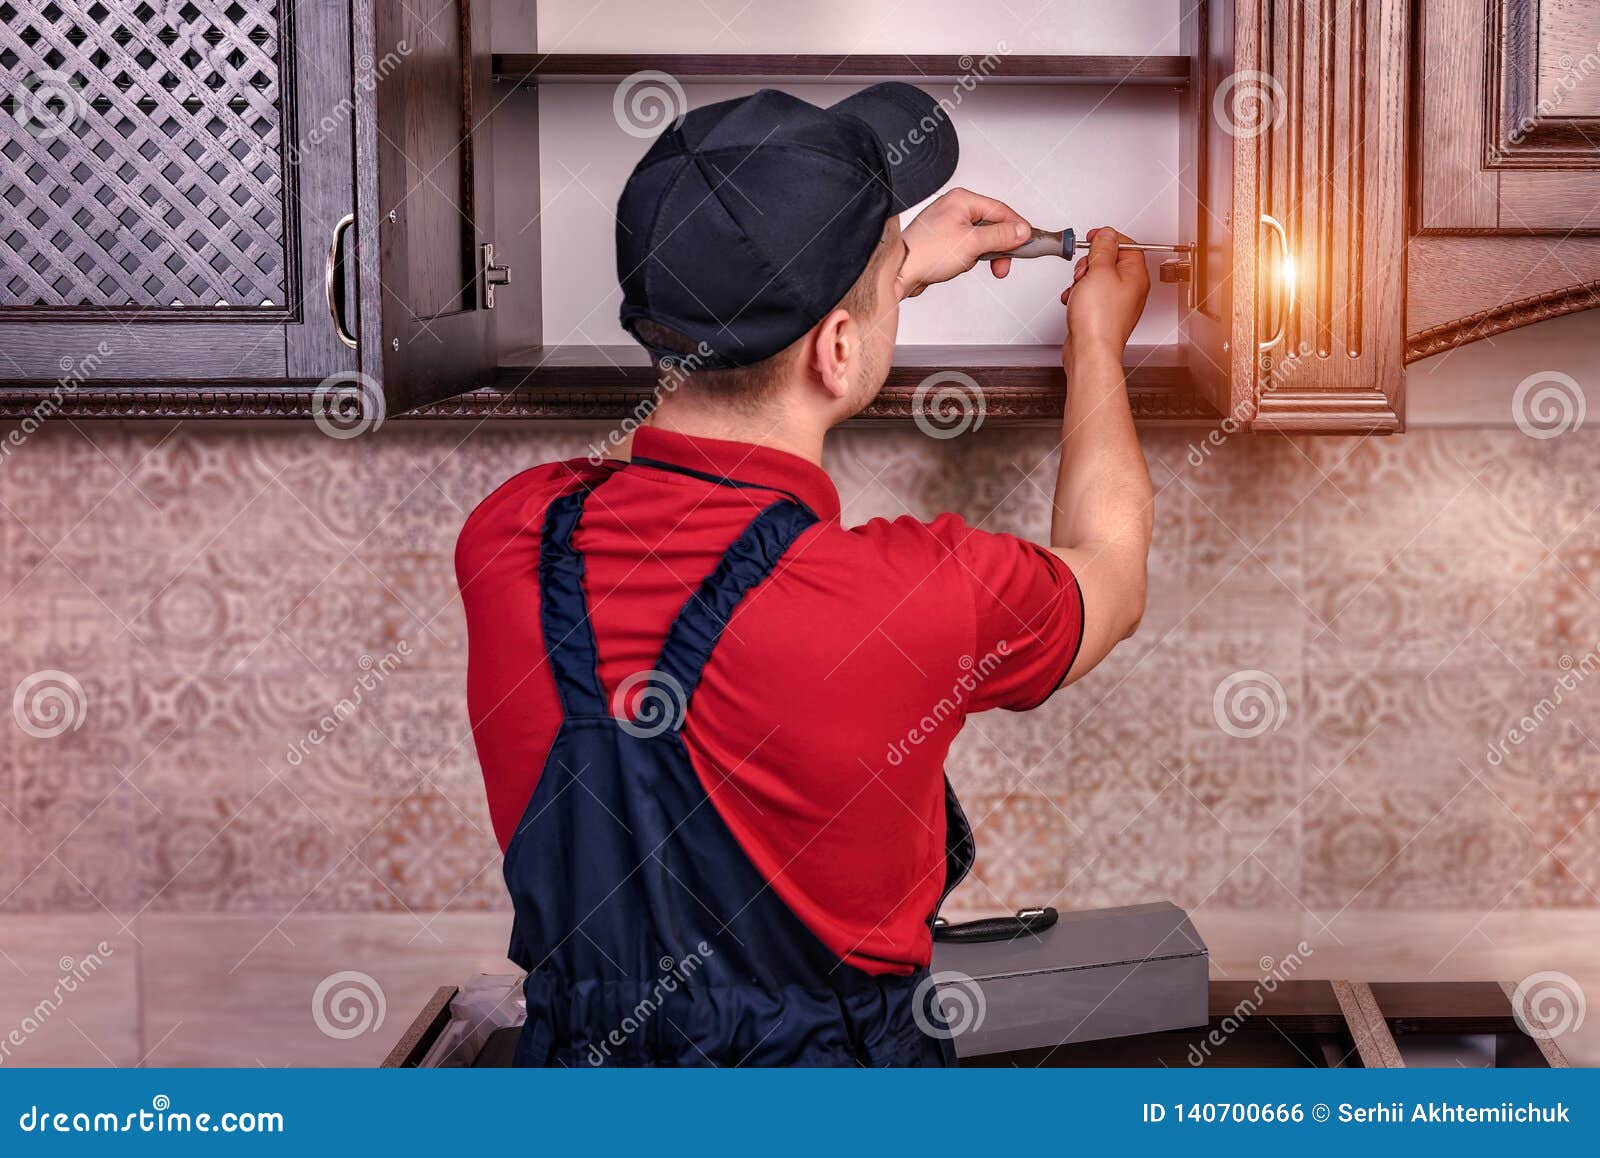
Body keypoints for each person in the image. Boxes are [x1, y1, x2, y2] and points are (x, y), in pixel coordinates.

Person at [456, 82, 1154, 1066]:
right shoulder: (913, 598)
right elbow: (1113, 571)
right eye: (887, 268)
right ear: (835, 346)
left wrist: (862, 293)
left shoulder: (511, 534)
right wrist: (1095, 341)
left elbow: (709, 424)